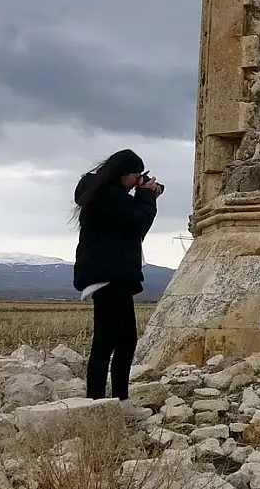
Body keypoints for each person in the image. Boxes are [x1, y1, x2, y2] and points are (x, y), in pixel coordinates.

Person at [71, 149, 163, 413]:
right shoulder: (107, 198)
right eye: (136, 176)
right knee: (107, 343)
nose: (137, 181)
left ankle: (116, 403)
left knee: (123, 341)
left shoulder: (102, 194)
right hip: (111, 277)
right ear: (123, 174)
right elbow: (137, 225)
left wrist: (141, 194)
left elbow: (126, 222)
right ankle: (99, 405)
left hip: (109, 275)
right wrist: (147, 196)